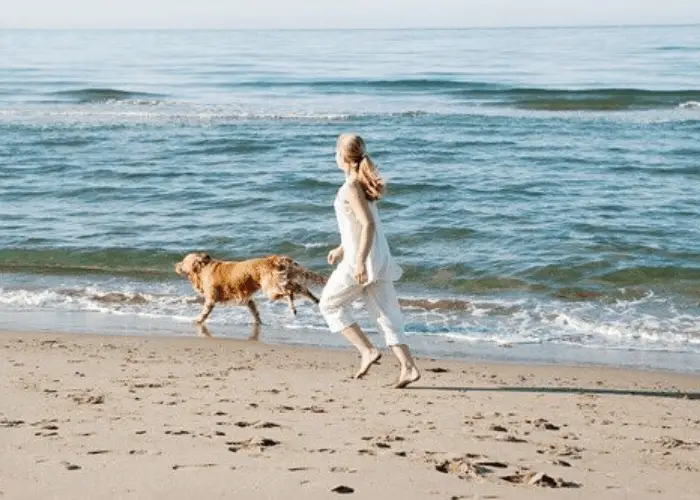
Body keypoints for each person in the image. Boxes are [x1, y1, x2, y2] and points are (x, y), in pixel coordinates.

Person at [319, 133, 421, 389]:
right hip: (376, 257)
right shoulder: (360, 184)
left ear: (342, 157)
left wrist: (358, 262)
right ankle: (408, 367)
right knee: (386, 314)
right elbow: (356, 225)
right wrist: (341, 248)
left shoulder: (351, 187)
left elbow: (368, 225)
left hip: (362, 260)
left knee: (329, 305)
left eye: (335, 152)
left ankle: (367, 350)